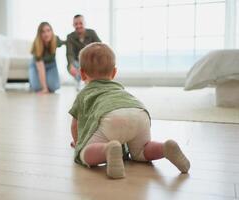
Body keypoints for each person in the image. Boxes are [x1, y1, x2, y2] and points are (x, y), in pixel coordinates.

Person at [69, 43, 190, 179]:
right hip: (139, 113)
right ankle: (164, 148)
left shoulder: (84, 94)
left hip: (111, 117)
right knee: (142, 151)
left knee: (84, 153)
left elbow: (75, 124)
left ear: (82, 74)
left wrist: (79, 143)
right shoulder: (118, 88)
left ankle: (107, 149)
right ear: (114, 73)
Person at [66, 15, 101, 89]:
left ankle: (92, 83)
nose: (78, 26)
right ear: (73, 25)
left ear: (84, 23)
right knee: (72, 66)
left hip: (91, 60)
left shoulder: (92, 33)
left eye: (80, 23)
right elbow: (69, 53)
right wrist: (71, 65)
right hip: (77, 62)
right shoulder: (70, 37)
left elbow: (100, 46)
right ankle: (80, 81)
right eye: (76, 24)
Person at [30, 22, 65, 94]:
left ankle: (47, 81)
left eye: (48, 30)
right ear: (39, 34)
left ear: (52, 31)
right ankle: (34, 81)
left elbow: (66, 42)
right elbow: (41, 69)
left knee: (54, 87)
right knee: (37, 87)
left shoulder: (56, 40)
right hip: (38, 66)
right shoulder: (37, 45)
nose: (46, 34)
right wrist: (44, 88)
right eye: (43, 32)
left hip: (51, 65)